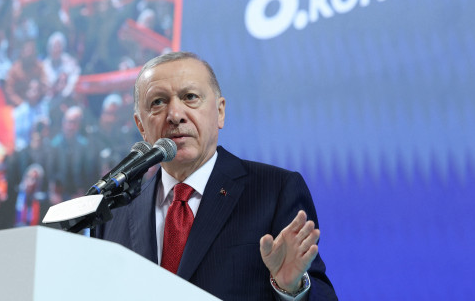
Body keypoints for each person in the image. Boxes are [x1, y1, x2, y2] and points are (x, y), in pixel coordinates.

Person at [98, 52, 337, 300]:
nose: (175, 114)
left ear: (220, 112)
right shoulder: (112, 216)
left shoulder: (274, 191)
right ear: (141, 126)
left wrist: (291, 288)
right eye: (158, 102)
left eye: (190, 97)